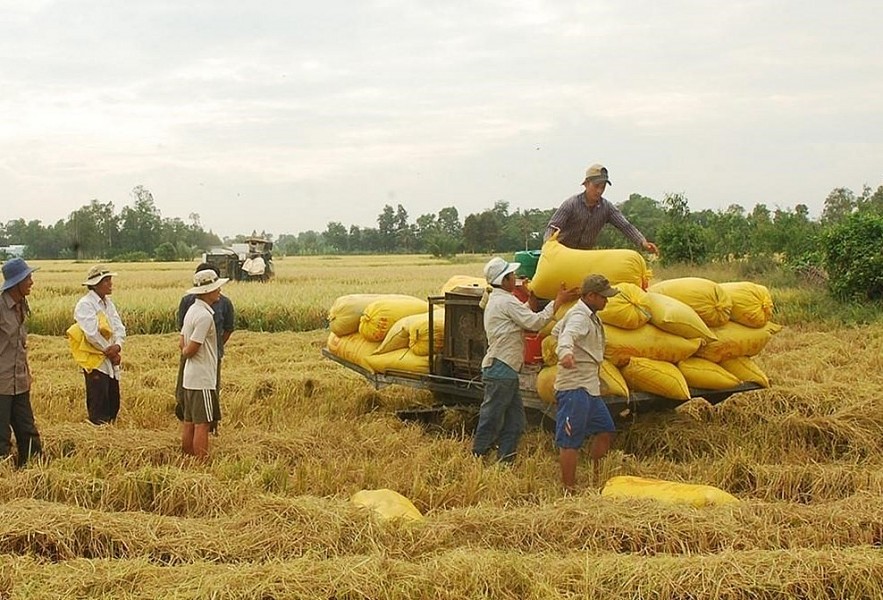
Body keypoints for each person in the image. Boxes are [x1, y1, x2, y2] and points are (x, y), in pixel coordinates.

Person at [472, 257, 577, 463]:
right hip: (501, 369)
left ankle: (505, 461)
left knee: (516, 422)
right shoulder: (505, 301)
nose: (516, 279)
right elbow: (534, 322)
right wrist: (558, 301)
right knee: (492, 417)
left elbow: (520, 314)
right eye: (512, 276)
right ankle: (477, 455)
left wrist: (531, 300)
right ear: (504, 281)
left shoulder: (498, 299)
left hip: (505, 369)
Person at [552, 274, 620, 491]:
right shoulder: (580, 317)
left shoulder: (588, 314)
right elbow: (566, 336)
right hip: (574, 387)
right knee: (570, 440)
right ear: (591, 295)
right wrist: (566, 353)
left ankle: (596, 476)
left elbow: (556, 331)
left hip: (589, 386)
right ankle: (568, 489)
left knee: (606, 430)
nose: (606, 301)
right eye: (603, 297)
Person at [544, 163, 659, 254]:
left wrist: (643, 242)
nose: (599, 190)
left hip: (584, 257)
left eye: (603, 187)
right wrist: (548, 246)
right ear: (586, 184)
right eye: (596, 186)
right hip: (562, 254)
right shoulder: (571, 204)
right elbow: (553, 227)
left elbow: (625, 226)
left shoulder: (607, 208)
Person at [175, 262, 235, 433]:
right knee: (193, 398)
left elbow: (228, 328)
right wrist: (192, 350)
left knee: (208, 394)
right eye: (216, 286)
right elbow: (186, 338)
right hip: (198, 362)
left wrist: (213, 347)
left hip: (208, 357)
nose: (219, 290)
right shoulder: (197, 310)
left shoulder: (223, 303)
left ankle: (208, 428)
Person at [0, 258, 42, 467]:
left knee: (28, 430)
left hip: (19, 379)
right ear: (16, 282)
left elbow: (19, 345)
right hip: (1, 383)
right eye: (28, 278)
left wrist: (27, 372)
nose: (31, 282)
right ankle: (6, 481)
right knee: (1, 436)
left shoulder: (21, 305)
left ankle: (34, 471)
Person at [74, 265, 126, 425]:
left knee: (113, 402)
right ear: (96, 284)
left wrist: (118, 345)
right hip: (96, 362)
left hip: (110, 361)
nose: (110, 283)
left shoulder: (108, 303)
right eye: (107, 280)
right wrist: (110, 351)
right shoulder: (85, 304)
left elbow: (119, 327)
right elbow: (91, 333)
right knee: (99, 406)